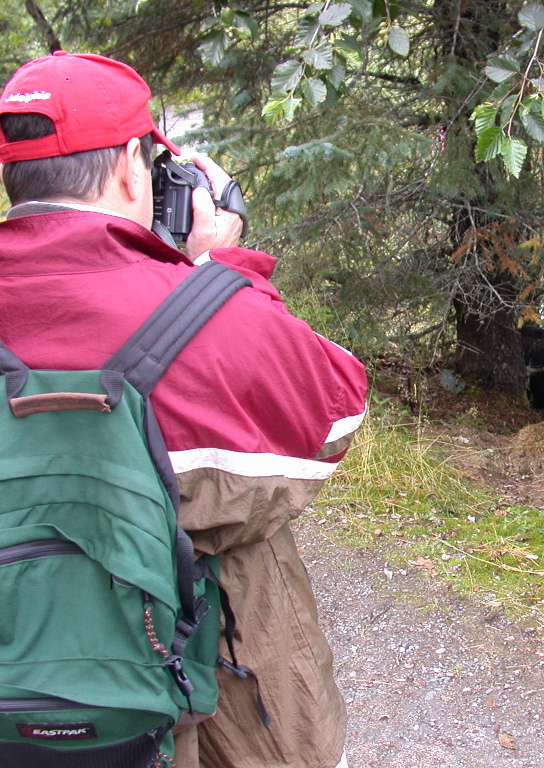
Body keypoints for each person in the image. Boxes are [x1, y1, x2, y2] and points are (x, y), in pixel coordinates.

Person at [0, 51, 367, 768]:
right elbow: (335, 415)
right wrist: (211, 269)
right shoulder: (204, 311)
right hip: (188, 686)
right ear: (131, 168)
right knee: (236, 541)